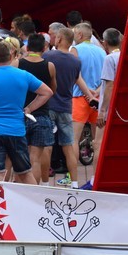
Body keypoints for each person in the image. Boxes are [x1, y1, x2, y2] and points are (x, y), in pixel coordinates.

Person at [0, 41, 53, 185]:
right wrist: (29, 108)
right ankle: (34, 199)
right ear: (11, 56)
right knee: (25, 172)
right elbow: (47, 92)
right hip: (16, 130)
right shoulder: (23, 75)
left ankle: (0, 200)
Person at [42, 27, 86, 187]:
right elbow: (76, 80)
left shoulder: (48, 56)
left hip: (49, 105)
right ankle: (74, 183)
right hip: (66, 107)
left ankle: (45, 183)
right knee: (68, 146)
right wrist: (89, 94)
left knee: (46, 146)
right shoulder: (76, 61)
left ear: (59, 39)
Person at [15, 34, 56, 185]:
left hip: (20, 115)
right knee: (35, 159)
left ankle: (20, 193)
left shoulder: (18, 63)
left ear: (27, 47)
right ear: (44, 48)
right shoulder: (49, 66)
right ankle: (34, 192)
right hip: (41, 115)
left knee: (19, 158)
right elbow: (53, 89)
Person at [70, 23, 104, 165]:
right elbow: (107, 78)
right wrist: (96, 92)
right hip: (99, 99)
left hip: (80, 97)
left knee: (73, 139)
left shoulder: (75, 50)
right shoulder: (102, 51)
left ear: (79, 35)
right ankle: (98, 174)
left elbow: (74, 74)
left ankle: (72, 175)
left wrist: (87, 93)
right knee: (99, 141)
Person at [96, 28, 122, 130]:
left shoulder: (109, 58)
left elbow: (109, 85)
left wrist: (102, 110)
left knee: (100, 138)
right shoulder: (122, 56)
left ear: (105, 43)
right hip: (120, 105)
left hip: (109, 108)